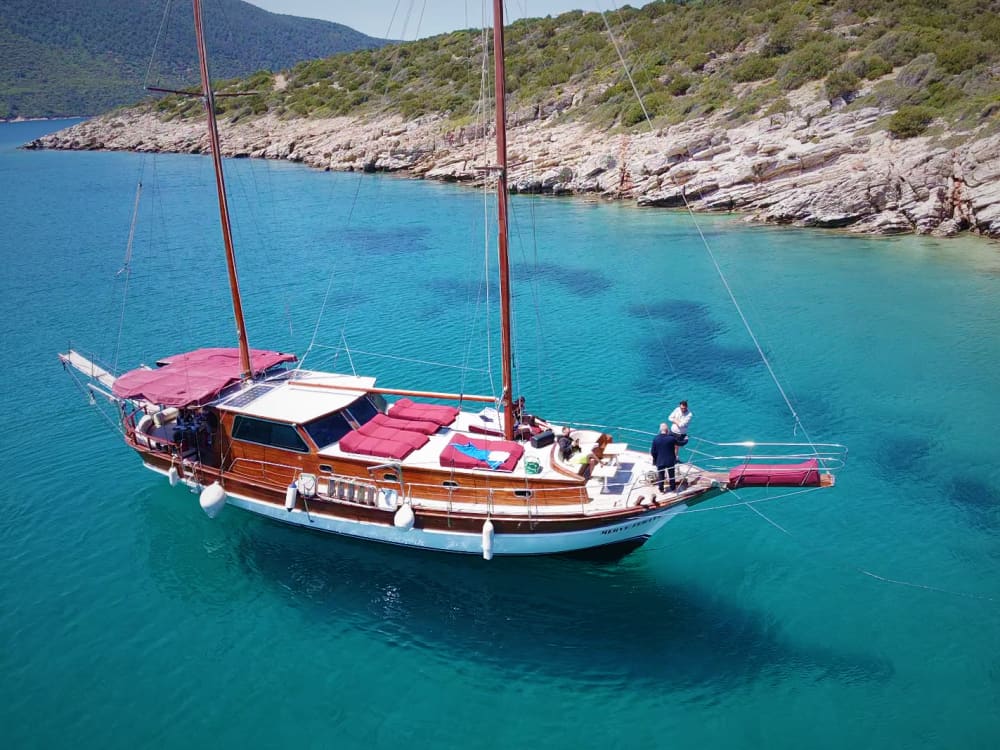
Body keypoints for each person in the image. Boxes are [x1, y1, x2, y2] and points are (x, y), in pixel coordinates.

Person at [650, 422, 679, 493]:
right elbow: (679, 443)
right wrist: (685, 439)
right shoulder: (671, 438)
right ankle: (673, 488)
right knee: (671, 475)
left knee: (661, 475)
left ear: (660, 430)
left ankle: (661, 489)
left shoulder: (656, 439)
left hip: (660, 460)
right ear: (667, 430)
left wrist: (655, 459)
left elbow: (653, 451)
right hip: (670, 460)